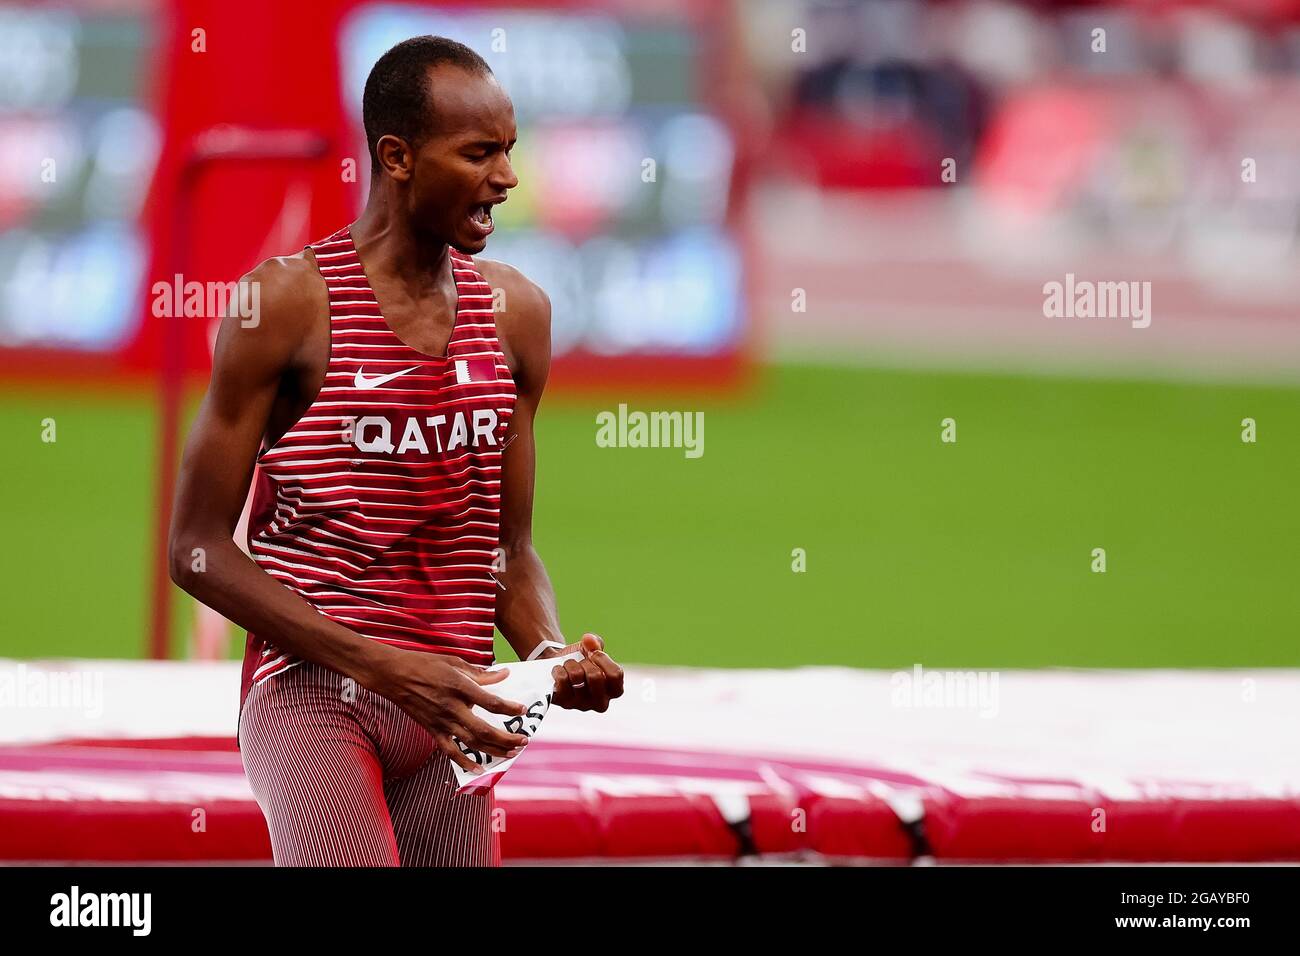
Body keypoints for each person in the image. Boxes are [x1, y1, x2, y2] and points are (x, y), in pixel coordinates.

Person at [168, 35, 624, 866]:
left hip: (454, 712)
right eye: (479, 153)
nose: (508, 177)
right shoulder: (286, 305)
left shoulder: (518, 317)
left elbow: (508, 552)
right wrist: (386, 668)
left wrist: (553, 655)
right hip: (316, 701)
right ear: (398, 157)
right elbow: (194, 551)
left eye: (510, 151)